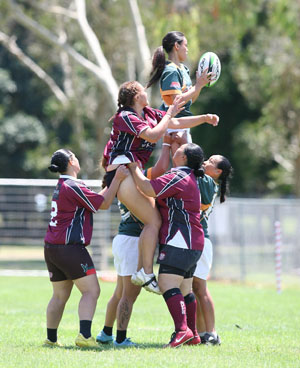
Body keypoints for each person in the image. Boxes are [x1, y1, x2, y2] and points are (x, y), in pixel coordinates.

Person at [104, 80, 219, 294]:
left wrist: (203, 118)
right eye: (143, 91)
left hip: (130, 170)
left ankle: (143, 271)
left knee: (154, 220)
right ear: (136, 97)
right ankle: (145, 272)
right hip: (123, 171)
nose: (147, 94)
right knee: (154, 220)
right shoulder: (126, 116)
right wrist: (169, 113)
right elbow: (153, 134)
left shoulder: (147, 113)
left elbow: (174, 124)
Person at [43, 149, 128, 348]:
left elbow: (94, 200)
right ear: (72, 161)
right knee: (92, 291)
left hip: (51, 248)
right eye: (76, 156)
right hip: (70, 248)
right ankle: (84, 336)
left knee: (59, 295)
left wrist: (110, 181)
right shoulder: (73, 185)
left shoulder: (63, 184)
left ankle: (51, 339)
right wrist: (118, 178)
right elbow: (104, 204)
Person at [97, 133, 175, 347]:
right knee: (129, 296)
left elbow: (156, 171)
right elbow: (157, 172)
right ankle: (121, 339)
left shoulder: (122, 180)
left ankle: (105, 333)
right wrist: (166, 144)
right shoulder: (134, 181)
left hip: (123, 239)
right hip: (133, 240)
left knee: (119, 293)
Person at [128, 143, 206, 348]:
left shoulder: (179, 176)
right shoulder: (189, 176)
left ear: (184, 158)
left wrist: (134, 167)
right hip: (193, 241)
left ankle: (182, 331)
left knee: (166, 284)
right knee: (185, 288)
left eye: (179, 151)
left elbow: (147, 188)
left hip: (180, 240)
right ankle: (193, 333)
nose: (175, 152)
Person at [193, 154, 233, 345]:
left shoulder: (208, 180)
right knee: (195, 289)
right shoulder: (205, 179)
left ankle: (212, 332)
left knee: (201, 289)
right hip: (197, 241)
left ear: (218, 172)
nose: (205, 162)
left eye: (210, 161)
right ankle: (201, 332)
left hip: (202, 241)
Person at [147, 31, 212, 146]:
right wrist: (197, 86)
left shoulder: (184, 69)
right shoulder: (171, 71)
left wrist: (199, 86)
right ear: (177, 46)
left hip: (184, 124)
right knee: (183, 162)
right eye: (185, 45)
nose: (187, 49)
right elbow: (177, 102)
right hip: (174, 127)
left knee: (186, 162)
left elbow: (190, 101)